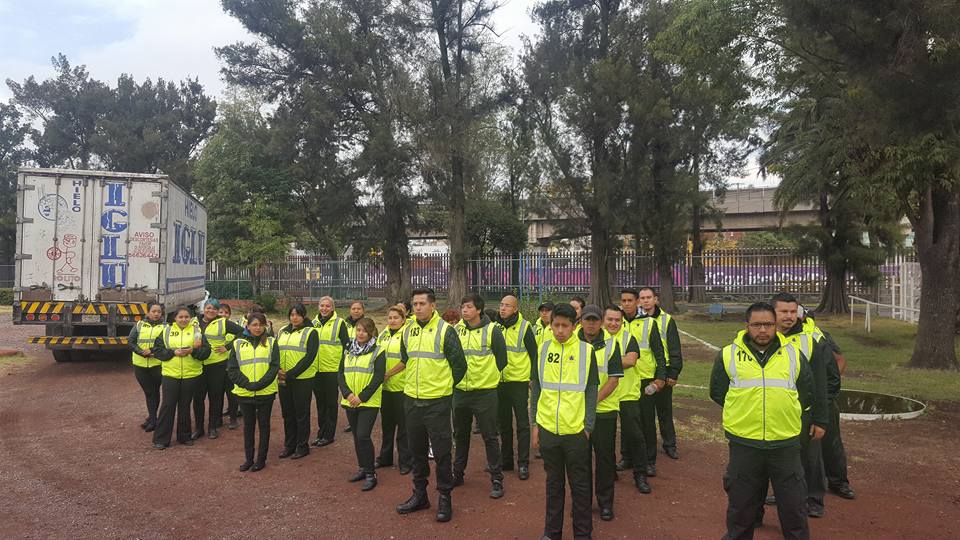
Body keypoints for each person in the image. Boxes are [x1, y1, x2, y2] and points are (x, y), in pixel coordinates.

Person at [710, 302, 816, 540]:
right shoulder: (728, 355)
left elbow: (807, 393)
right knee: (741, 508)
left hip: (785, 444)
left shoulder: (793, 355)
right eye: (756, 325)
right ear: (746, 326)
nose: (763, 330)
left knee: (794, 508)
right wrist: (746, 413)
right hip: (744, 444)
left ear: (775, 326)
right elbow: (718, 392)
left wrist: (782, 413)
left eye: (768, 324)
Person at [395, 287, 467, 523]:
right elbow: (406, 359)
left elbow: (460, 366)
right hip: (412, 400)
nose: (418, 308)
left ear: (433, 305)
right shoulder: (408, 330)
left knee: (442, 452)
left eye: (422, 304)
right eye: (415, 304)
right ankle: (420, 495)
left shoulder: (446, 330)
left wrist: (443, 387)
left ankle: (445, 497)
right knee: (416, 451)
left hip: (437, 402)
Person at [532, 303, 599, 540]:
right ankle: (552, 533)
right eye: (556, 325)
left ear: (574, 326)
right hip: (548, 429)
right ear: (550, 325)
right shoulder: (542, 349)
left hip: (576, 432)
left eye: (565, 326)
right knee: (553, 484)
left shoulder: (586, 351)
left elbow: (591, 390)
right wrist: (535, 424)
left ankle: (583, 534)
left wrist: (588, 426)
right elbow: (537, 388)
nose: (560, 330)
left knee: (580, 487)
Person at [770, 293, 830, 518]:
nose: (789, 316)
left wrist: (820, 419)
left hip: (805, 413)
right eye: (784, 311)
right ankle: (783, 494)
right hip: (780, 412)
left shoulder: (808, 340)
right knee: (781, 457)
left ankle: (814, 499)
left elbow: (820, 382)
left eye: (793, 312)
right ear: (773, 313)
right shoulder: (766, 338)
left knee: (810, 458)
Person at [452, 293, 508, 499]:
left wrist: (487, 377)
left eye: (468, 307)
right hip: (460, 392)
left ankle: (496, 479)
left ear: (479, 309)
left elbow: (502, 360)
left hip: (485, 393)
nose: (464, 310)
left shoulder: (493, 330)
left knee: (490, 436)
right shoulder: (456, 330)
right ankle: (457, 473)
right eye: (462, 307)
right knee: (460, 435)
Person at [603, 303, 654, 493]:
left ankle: (640, 474)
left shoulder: (628, 337)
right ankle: (609, 472)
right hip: (606, 395)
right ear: (603, 320)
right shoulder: (598, 338)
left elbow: (631, 360)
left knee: (635, 436)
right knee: (606, 438)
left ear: (622, 321)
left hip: (627, 394)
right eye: (610, 319)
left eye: (617, 320)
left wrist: (604, 359)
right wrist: (618, 360)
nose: (613, 323)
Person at [617, 288, 667, 479]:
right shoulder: (617, 323)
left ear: (637, 301)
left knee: (646, 422)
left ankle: (649, 461)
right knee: (627, 421)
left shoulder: (649, 323)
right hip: (625, 380)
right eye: (623, 301)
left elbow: (659, 353)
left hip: (645, 379)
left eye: (630, 300)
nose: (626, 304)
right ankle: (627, 457)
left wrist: (660, 378)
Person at [806, 313, 856, 500]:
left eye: (794, 313)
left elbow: (839, 360)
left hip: (824, 399)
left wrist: (825, 387)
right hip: (796, 402)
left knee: (830, 443)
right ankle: (789, 487)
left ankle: (838, 482)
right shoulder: (777, 338)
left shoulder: (820, 336)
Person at [584, 305, 624, 521]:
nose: (591, 324)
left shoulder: (611, 344)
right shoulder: (573, 343)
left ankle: (605, 503)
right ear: (581, 321)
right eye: (587, 320)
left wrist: (591, 403)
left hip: (604, 412)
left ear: (600, 322)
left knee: (605, 459)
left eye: (595, 320)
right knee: (580, 460)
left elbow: (614, 380)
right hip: (577, 415)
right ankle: (582, 501)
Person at [151, 306, 211, 449]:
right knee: (168, 405)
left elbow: (206, 352)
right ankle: (161, 439)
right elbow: (157, 351)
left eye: (186, 317)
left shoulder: (197, 331)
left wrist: (193, 351)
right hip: (170, 374)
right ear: (175, 318)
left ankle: (184, 436)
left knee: (185, 406)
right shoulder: (166, 331)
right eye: (181, 317)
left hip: (191, 374)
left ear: (190, 318)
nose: (184, 319)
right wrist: (173, 353)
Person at [227, 312, 280, 472]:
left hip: (265, 392)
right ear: (247, 326)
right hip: (244, 393)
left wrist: (260, 384)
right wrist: (248, 385)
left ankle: (261, 460)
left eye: (261, 325)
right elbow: (232, 369)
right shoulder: (237, 343)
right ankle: (249, 459)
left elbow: (274, 366)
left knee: (264, 426)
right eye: (254, 325)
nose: (258, 328)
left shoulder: (271, 342)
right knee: (248, 427)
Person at [339, 317, 387, 491]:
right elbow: (341, 373)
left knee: (362, 435)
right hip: (350, 400)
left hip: (368, 402)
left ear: (371, 332)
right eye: (358, 330)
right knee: (356, 437)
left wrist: (361, 397)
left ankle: (370, 474)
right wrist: (348, 394)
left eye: (364, 331)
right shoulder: (348, 349)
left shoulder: (378, 351)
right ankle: (362, 468)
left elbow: (378, 377)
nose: (360, 333)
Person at [496, 294, 538, 480]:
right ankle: (506, 460)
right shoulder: (495, 326)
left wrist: (532, 378)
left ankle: (523, 464)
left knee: (522, 424)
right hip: (499, 382)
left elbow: (534, 354)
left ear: (515, 309)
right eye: (501, 304)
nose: (503, 308)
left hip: (519, 382)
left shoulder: (524, 327)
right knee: (504, 424)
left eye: (507, 305)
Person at [638, 286, 683, 459]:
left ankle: (669, 444)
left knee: (664, 411)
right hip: (644, 373)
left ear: (656, 299)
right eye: (642, 298)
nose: (646, 301)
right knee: (645, 414)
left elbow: (674, 347)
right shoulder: (635, 320)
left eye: (649, 297)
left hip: (663, 371)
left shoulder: (666, 320)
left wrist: (673, 373)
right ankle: (645, 445)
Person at [192, 299, 245, 440]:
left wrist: (227, 347)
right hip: (197, 364)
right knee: (198, 398)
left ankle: (212, 427)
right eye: (208, 308)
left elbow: (243, 332)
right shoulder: (194, 321)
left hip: (217, 365)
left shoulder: (223, 322)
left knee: (215, 397)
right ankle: (199, 428)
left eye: (215, 309)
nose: (211, 311)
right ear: (204, 308)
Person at [276, 304, 319, 460]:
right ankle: (289, 445)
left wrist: (291, 373)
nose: (294, 317)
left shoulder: (311, 332)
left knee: (301, 414)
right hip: (283, 378)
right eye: (292, 314)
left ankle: (302, 446)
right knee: (287, 413)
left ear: (304, 315)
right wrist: (278, 370)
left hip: (302, 379)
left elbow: (309, 357)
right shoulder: (282, 331)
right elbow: (275, 352)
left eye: (298, 315)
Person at [376, 304, 413, 475]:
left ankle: (405, 461)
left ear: (403, 319)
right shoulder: (383, 334)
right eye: (390, 318)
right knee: (387, 425)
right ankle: (385, 457)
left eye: (396, 318)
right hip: (385, 388)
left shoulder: (407, 335)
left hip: (401, 387)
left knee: (404, 428)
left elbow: (406, 360)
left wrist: (388, 374)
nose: (392, 321)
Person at [311, 296, 350, 446]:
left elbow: (346, 346)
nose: (324, 308)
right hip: (316, 370)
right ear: (318, 307)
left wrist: (342, 366)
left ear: (333, 308)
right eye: (322, 305)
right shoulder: (313, 323)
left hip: (332, 370)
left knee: (331, 404)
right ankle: (321, 433)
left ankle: (329, 435)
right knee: (320, 404)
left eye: (328, 306)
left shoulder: (340, 323)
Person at [128, 301, 166, 432]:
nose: (156, 314)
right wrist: (141, 352)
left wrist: (152, 350)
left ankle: (153, 419)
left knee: (154, 391)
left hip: (157, 365)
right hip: (140, 365)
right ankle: (152, 417)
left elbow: (165, 344)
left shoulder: (166, 327)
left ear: (162, 313)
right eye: (153, 311)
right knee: (148, 392)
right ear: (148, 312)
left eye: (159, 312)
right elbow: (131, 341)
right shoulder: (139, 325)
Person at [342, 301, 367, 434]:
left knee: (360, 390)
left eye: (358, 309)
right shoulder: (344, 324)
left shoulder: (367, 323)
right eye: (353, 308)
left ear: (363, 310)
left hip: (362, 361)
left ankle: (361, 418)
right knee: (349, 390)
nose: (356, 311)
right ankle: (351, 421)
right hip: (349, 361)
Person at [218, 303, 241, 429]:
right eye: (221, 312)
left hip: (231, 366)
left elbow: (240, 338)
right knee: (218, 393)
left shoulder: (233, 328)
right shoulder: (214, 328)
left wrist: (227, 347)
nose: (223, 315)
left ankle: (233, 418)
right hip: (217, 365)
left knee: (231, 392)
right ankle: (218, 418)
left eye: (226, 313)